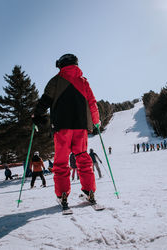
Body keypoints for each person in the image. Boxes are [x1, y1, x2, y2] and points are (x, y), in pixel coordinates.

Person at [32, 54, 100, 208]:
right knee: (83, 158)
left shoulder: (56, 81)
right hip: (80, 127)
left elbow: (45, 100)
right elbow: (92, 102)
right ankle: (89, 191)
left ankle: (62, 194)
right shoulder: (83, 82)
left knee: (61, 161)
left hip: (62, 127)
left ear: (61, 65)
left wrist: (37, 114)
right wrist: (96, 121)